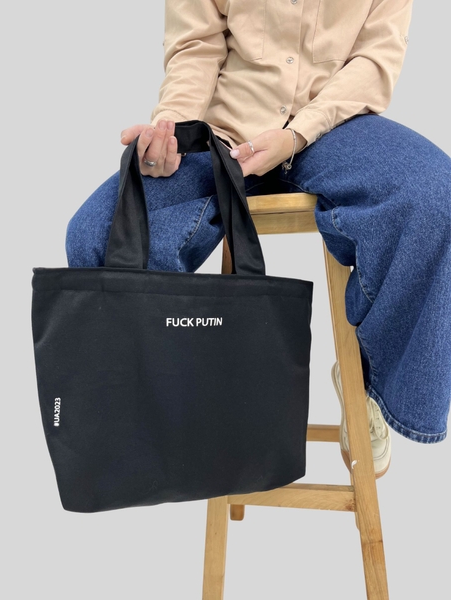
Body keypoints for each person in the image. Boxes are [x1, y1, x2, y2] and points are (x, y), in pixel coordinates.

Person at [65, 0, 451, 477]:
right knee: (97, 235)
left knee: (436, 196)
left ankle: (370, 380)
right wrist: (172, 128)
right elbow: (196, 45)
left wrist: (297, 133)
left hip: (334, 127)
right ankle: (172, 413)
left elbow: (374, 61)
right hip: (224, 134)